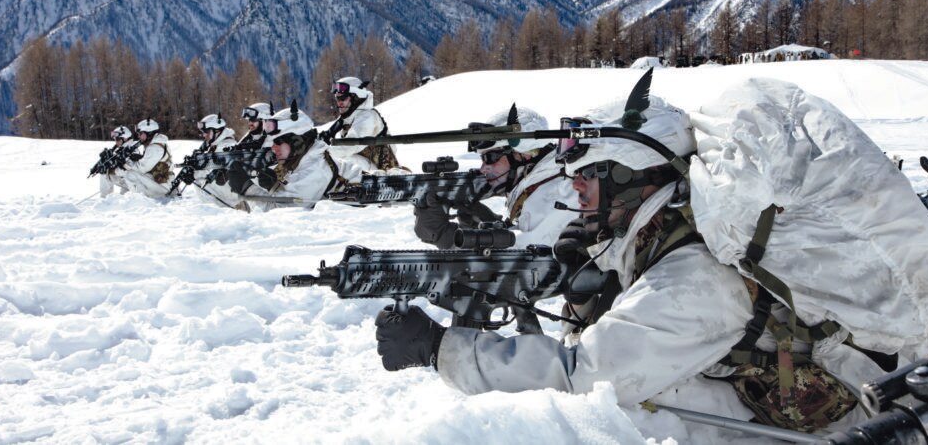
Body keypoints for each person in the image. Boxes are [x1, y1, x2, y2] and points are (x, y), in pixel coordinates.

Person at [375, 96, 885, 435]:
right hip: (750, 391)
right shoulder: (654, 240)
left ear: (630, 173)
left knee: (624, 416)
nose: (572, 185)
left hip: (822, 426)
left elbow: (585, 381)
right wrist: (584, 285)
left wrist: (442, 348)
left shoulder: (694, 277)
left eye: (587, 174)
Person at [413, 105, 577, 248]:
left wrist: (445, 237)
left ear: (523, 154)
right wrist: (487, 225)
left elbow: (524, 263)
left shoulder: (555, 191)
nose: (483, 168)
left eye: (490, 158)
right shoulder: (542, 181)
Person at [242, 101, 362, 205]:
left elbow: (281, 214)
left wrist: (246, 188)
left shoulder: (314, 170)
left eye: (278, 142)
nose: (273, 148)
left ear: (296, 142)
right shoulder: (299, 161)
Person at [319, 77, 401, 173]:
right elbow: (326, 136)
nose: (339, 103)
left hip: (383, 172)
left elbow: (350, 146)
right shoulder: (348, 117)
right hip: (366, 167)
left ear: (356, 98)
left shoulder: (368, 117)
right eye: (337, 98)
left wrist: (323, 152)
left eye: (342, 98)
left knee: (341, 161)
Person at [186, 113, 245, 209]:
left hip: (232, 192)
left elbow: (214, 170)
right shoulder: (216, 144)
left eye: (207, 132)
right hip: (227, 188)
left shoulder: (226, 145)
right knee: (199, 179)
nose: (204, 135)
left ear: (217, 131)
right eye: (203, 132)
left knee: (201, 180)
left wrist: (195, 170)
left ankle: (228, 208)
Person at [116, 118, 174, 199]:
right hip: (161, 180)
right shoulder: (157, 144)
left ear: (149, 132)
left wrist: (125, 163)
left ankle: (139, 200)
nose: (139, 136)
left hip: (163, 186)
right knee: (133, 174)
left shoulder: (154, 148)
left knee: (130, 174)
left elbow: (141, 169)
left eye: (140, 133)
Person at [98, 125, 136, 197]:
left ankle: (107, 199)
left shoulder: (132, 150)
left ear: (125, 139)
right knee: (104, 173)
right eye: (115, 139)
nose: (116, 142)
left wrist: (113, 170)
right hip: (125, 180)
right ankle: (106, 199)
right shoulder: (122, 149)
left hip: (132, 182)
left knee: (106, 174)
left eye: (118, 139)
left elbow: (130, 169)